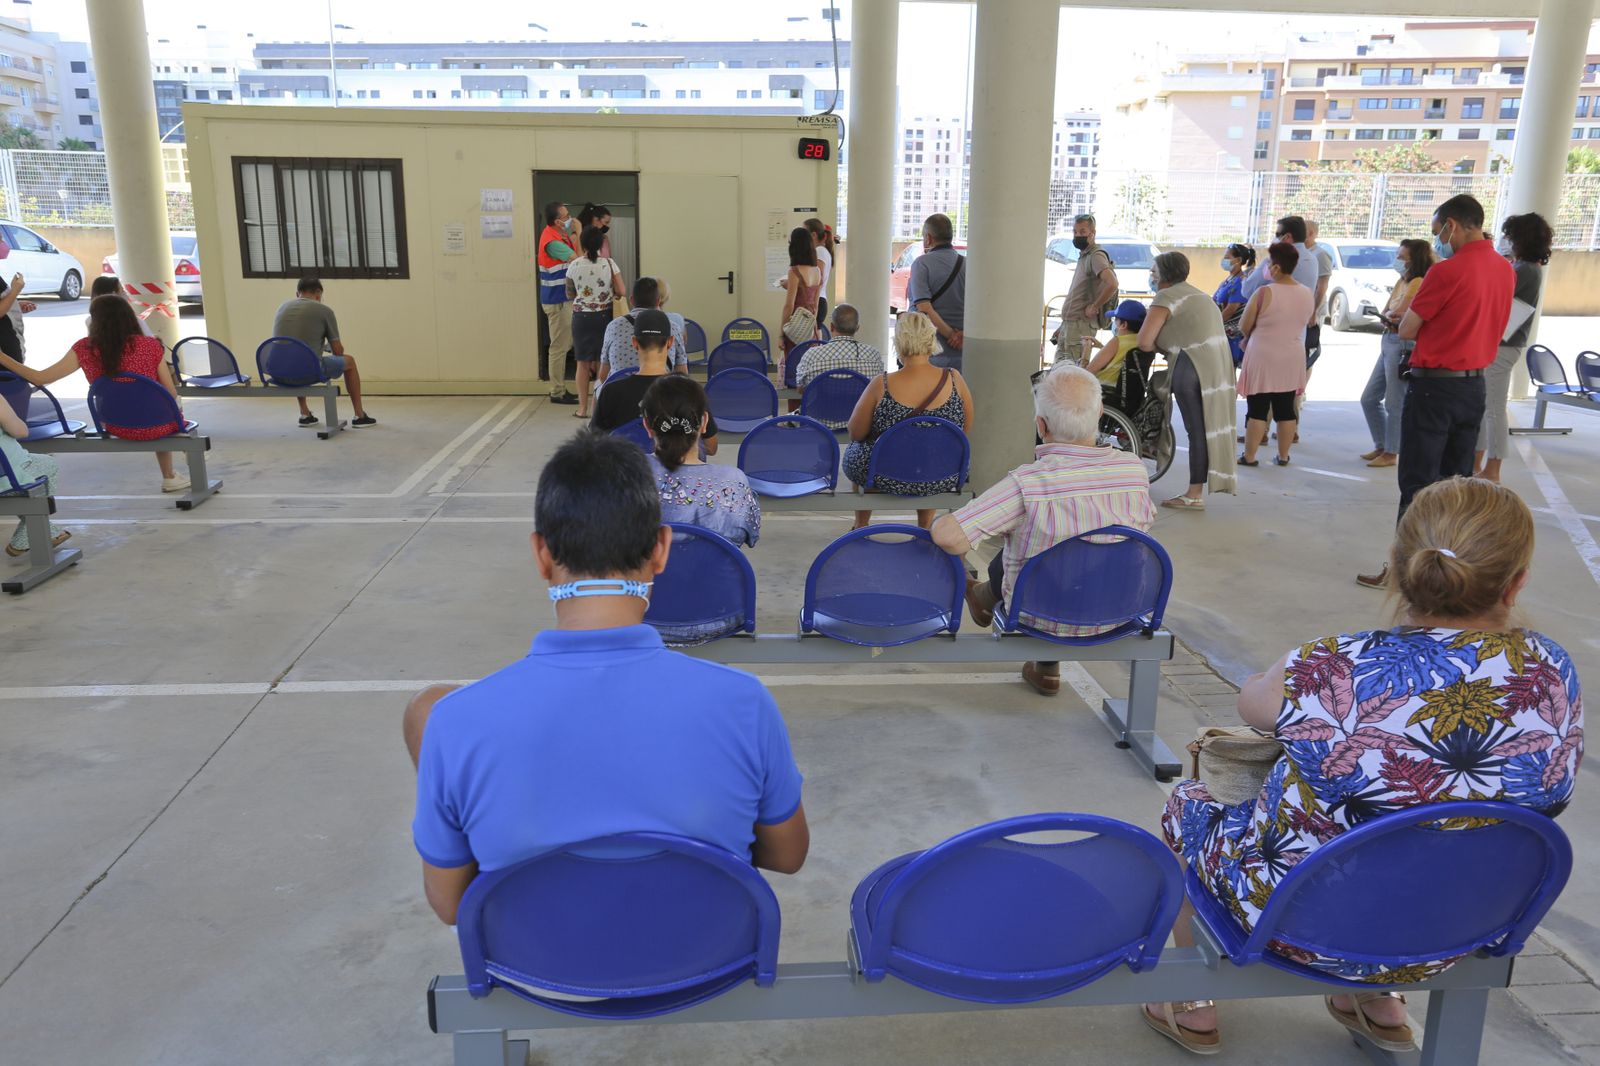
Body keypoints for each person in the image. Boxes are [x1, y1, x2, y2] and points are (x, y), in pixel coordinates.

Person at [1145, 477, 1582, 1056]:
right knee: (1437, 833)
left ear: (1399, 571)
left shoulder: (1332, 664)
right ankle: (1377, 1000)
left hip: (1301, 926)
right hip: (1461, 927)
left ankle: (1191, 1003)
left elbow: (1251, 702)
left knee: (1187, 804)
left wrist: (1314, 661)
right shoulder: (1551, 670)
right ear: (1517, 581)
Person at [404, 430, 809, 925]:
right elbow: (787, 856)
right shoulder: (744, 703)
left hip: (537, 971)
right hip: (704, 962)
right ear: (661, 549)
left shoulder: (454, 724)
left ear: (541, 555)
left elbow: (451, 906)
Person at [931, 364, 1154, 696]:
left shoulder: (1029, 484)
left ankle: (987, 604)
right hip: (1120, 611)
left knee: (1027, 545)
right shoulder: (1134, 471)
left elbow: (949, 537)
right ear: (1100, 414)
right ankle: (1041, 662)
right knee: (1057, 546)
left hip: (1043, 615)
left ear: (1041, 425)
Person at [1357, 194, 1514, 589]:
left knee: (1417, 484)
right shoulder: (1504, 269)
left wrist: (1401, 322)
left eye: (1438, 231)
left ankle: (1403, 572)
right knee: (1455, 485)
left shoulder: (1446, 272)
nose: (1438, 239)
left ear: (1453, 226)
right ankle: (1446, 571)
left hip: (1434, 387)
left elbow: (1408, 328)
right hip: (1474, 386)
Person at [0, 294, 189, 492]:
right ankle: (169, 474)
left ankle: (170, 473)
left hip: (115, 424)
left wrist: (3, 357)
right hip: (158, 424)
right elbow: (170, 392)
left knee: (144, 405)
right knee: (156, 404)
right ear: (128, 316)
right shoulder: (150, 345)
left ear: (95, 320)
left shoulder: (84, 347)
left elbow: (40, 378)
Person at [842, 311, 973, 530]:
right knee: (929, 451)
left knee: (859, 448)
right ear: (932, 339)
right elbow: (963, 431)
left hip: (884, 474)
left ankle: (861, 524)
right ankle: (924, 526)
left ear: (899, 342)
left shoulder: (881, 384)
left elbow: (855, 433)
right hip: (941, 473)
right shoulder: (954, 380)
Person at [1135, 252, 1236, 511]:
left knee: (1196, 431)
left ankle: (1193, 495)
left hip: (1190, 364)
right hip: (1218, 368)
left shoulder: (1166, 296)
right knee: (1206, 428)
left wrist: (1161, 346)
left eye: (1154, 271)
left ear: (1164, 275)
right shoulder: (1200, 295)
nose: (1151, 276)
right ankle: (1195, 492)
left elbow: (1144, 342)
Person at [1476, 212, 1552, 484]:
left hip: (1503, 346)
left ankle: (1492, 468)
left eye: (1509, 235)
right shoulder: (1525, 268)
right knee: (1488, 407)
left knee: (1494, 408)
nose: (1504, 240)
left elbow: (1494, 297)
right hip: (1504, 344)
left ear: (1520, 238)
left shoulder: (1523, 270)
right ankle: (1481, 463)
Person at [642, 375, 761, 548]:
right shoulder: (734, 481)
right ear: (704, 422)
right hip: (712, 575)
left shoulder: (624, 476)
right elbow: (749, 535)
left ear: (647, 426)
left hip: (645, 575)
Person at [592, 309, 718, 455]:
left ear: (634, 342)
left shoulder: (611, 391)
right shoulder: (691, 391)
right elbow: (711, 447)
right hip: (676, 476)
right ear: (670, 342)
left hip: (629, 474)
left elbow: (595, 444)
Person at [1235, 242, 1312, 468]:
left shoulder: (1264, 292)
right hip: (1292, 355)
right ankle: (1284, 456)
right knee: (1286, 408)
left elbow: (1244, 325)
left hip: (1263, 355)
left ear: (1276, 267)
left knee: (1258, 409)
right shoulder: (1307, 293)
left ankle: (1249, 456)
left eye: (1269, 263)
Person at [1360, 239, 1433, 469]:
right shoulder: (1403, 280)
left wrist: (1392, 314)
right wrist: (1390, 314)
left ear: (1414, 259)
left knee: (1394, 401)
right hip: (1389, 339)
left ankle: (1392, 452)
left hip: (1402, 344)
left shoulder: (1418, 282)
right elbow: (1387, 310)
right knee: (1369, 398)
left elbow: (1399, 312)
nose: (1398, 261)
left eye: (1402, 257)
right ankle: (1383, 444)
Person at [270, 276, 376, 428]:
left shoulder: (282, 307)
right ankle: (360, 416)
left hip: (278, 372)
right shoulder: (324, 311)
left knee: (296, 358)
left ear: (297, 294)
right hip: (306, 373)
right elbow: (338, 351)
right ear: (319, 295)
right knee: (349, 362)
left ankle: (305, 414)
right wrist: (327, 348)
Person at [0, 393, 69, 558]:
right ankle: (24, 539)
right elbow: (21, 431)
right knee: (48, 465)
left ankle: (50, 533)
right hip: (8, 476)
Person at [565, 226, 624, 420]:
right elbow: (622, 291)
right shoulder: (609, 263)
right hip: (603, 317)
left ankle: (582, 409)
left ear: (582, 243)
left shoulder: (574, 266)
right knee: (602, 362)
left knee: (582, 363)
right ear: (601, 244)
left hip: (581, 318)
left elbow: (570, 293)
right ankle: (598, 408)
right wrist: (610, 293)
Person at [1053, 213, 1118, 367]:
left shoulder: (1096, 256)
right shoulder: (1084, 256)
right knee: (1060, 372)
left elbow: (1112, 283)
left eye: (1082, 232)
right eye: (1075, 232)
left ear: (1092, 233)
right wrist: (1064, 325)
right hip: (1071, 325)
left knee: (1071, 373)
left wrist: (1095, 306)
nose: (1077, 236)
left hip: (1081, 326)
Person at [908, 213, 966, 371]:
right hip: (964, 354)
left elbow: (924, 307)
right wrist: (962, 335)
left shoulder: (921, 264)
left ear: (928, 238)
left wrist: (950, 336)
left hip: (932, 353)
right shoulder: (967, 264)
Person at [600, 276, 690, 377]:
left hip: (619, 390)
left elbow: (603, 375)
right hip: (661, 390)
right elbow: (682, 373)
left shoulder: (613, 326)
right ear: (658, 301)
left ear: (631, 300)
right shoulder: (672, 327)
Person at [537, 200, 580, 406]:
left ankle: (560, 388)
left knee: (563, 344)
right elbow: (578, 260)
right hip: (558, 300)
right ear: (557, 221)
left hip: (562, 298)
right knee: (559, 346)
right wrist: (579, 233)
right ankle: (557, 391)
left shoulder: (556, 235)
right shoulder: (552, 242)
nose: (570, 218)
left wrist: (572, 236)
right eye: (566, 216)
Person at [795, 303, 884, 390]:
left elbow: (800, 388)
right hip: (860, 405)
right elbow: (880, 388)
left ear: (831, 326)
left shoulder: (811, 355)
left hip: (824, 404)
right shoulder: (874, 356)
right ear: (857, 328)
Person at [779, 226, 822, 363]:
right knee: (809, 365)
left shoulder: (794, 271)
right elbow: (815, 304)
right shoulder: (817, 271)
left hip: (796, 326)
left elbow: (789, 305)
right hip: (810, 326)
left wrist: (781, 334)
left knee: (794, 366)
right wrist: (812, 326)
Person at [1085, 299, 1146, 391]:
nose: (1114, 323)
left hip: (1104, 393)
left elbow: (1087, 372)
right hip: (1129, 395)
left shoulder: (1117, 341)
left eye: (1116, 319)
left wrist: (1086, 350)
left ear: (1124, 324)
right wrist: (1102, 347)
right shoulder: (1144, 342)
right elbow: (1123, 357)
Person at [1213, 244, 1255, 366]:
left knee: (1227, 370)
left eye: (1227, 257)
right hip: (1222, 329)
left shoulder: (1240, 282)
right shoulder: (1229, 280)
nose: (1224, 260)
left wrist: (1213, 324)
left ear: (1239, 260)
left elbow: (1230, 310)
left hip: (1231, 335)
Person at [89, 275, 154, 338]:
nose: (126, 294)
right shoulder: (135, 322)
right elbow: (152, 345)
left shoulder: (91, 321)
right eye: (122, 291)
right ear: (114, 295)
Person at [804, 217, 835, 324]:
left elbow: (818, 280)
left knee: (812, 337)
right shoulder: (822, 251)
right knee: (816, 335)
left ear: (813, 235)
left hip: (817, 300)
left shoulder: (819, 251)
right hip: (818, 300)